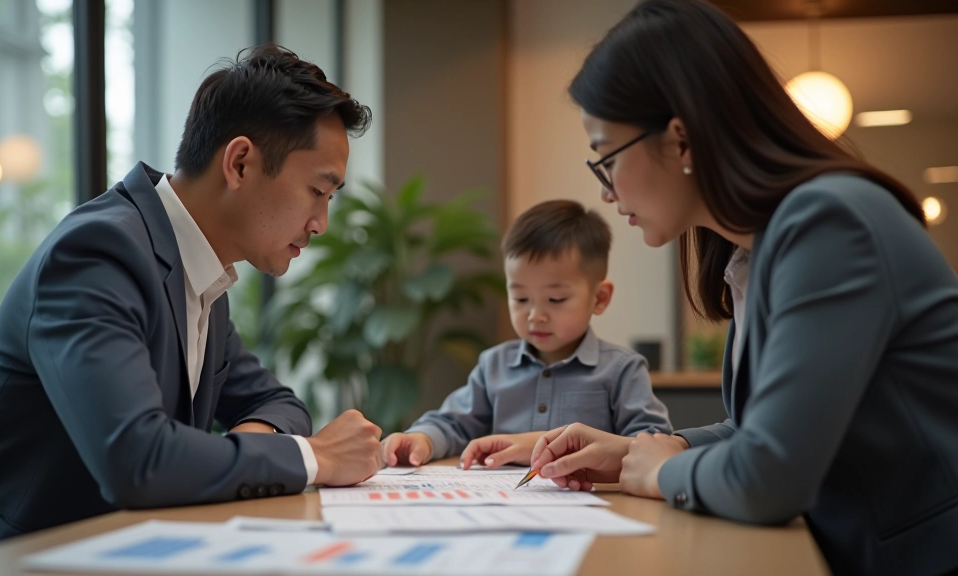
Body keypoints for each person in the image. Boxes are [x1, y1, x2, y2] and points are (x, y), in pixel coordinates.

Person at [526, 1, 958, 574]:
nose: (605, 192)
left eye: (605, 157)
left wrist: (660, 471)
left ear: (680, 140)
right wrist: (642, 452)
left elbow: (769, 476)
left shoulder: (831, 222)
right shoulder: (756, 248)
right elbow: (760, 432)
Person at [0, 45, 385, 553]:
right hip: (18, 560)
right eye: (317, 192)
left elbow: (276, 402)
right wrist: (313, 458)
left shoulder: (201, 272)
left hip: (132, 550)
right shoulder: (98, 255)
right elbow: (139, 461)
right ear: (239, 163)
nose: (321, 223)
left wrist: (226, 456)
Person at [381, 200, 671, 469]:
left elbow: (654, 444)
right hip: (506, 505)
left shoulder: (622, 371)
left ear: (599, 298)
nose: (535, 315)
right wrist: (423, 439)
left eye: (555, 300)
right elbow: (454, 424)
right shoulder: (493, 366)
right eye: (520, 299)